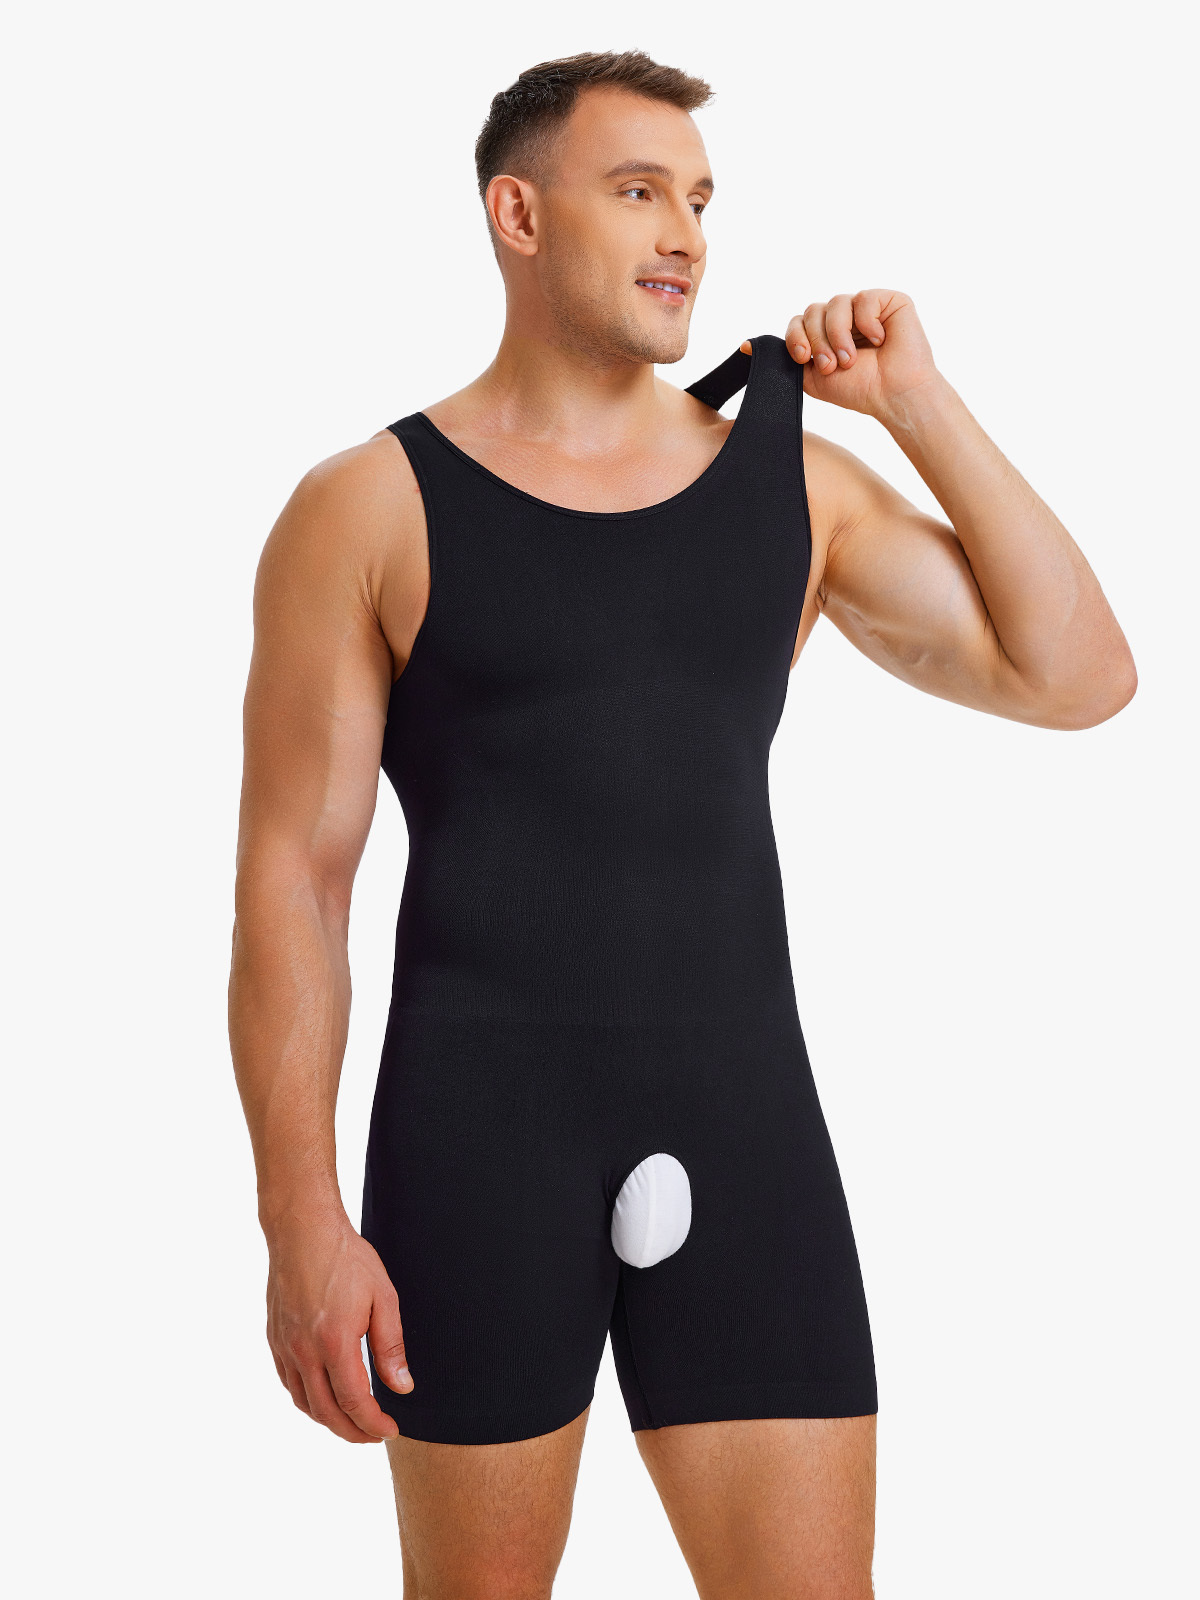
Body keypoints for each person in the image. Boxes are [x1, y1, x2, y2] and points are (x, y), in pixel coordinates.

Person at [228, 48, 1136, 1600]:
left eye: (702, 201)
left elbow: (1081, 676)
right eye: (639, 190)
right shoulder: (367, 507)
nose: (685, 238)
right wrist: (301, 1222)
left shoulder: (796, 490)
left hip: (746, 1129)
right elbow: (294, 884)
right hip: (478, 1146)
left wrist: (916, 403)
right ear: (518, 214)